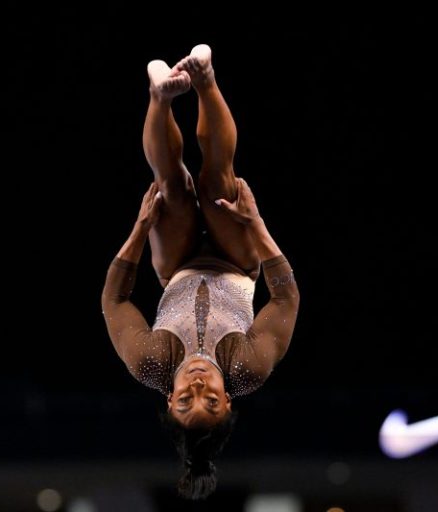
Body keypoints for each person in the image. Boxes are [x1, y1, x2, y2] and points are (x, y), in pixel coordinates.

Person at [101, 44, 300, 500]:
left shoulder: (150, 363)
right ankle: (206, 78)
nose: (196, 386)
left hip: (177, 266)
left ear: (169, 401)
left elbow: (114, 300)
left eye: (186, 400)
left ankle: (160, 96)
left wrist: (140, 229)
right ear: (228, 400)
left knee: (172, 189)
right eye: (210, 400)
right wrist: (257, 226)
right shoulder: (246, 369)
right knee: (216, 184)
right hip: (237, 262)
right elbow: (286, 299)